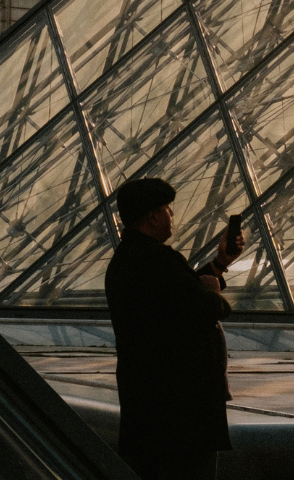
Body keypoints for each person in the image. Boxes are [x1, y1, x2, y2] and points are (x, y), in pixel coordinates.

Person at [105, 177, 245, 480]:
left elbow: (178, 297)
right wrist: (214, 296)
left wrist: (218, 265)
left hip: (151, 409)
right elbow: (201, 307)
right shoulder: (157, 260)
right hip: (180, 416)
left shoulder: (129, 259)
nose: (173, 215)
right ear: (153, 215)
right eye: (168, 209)